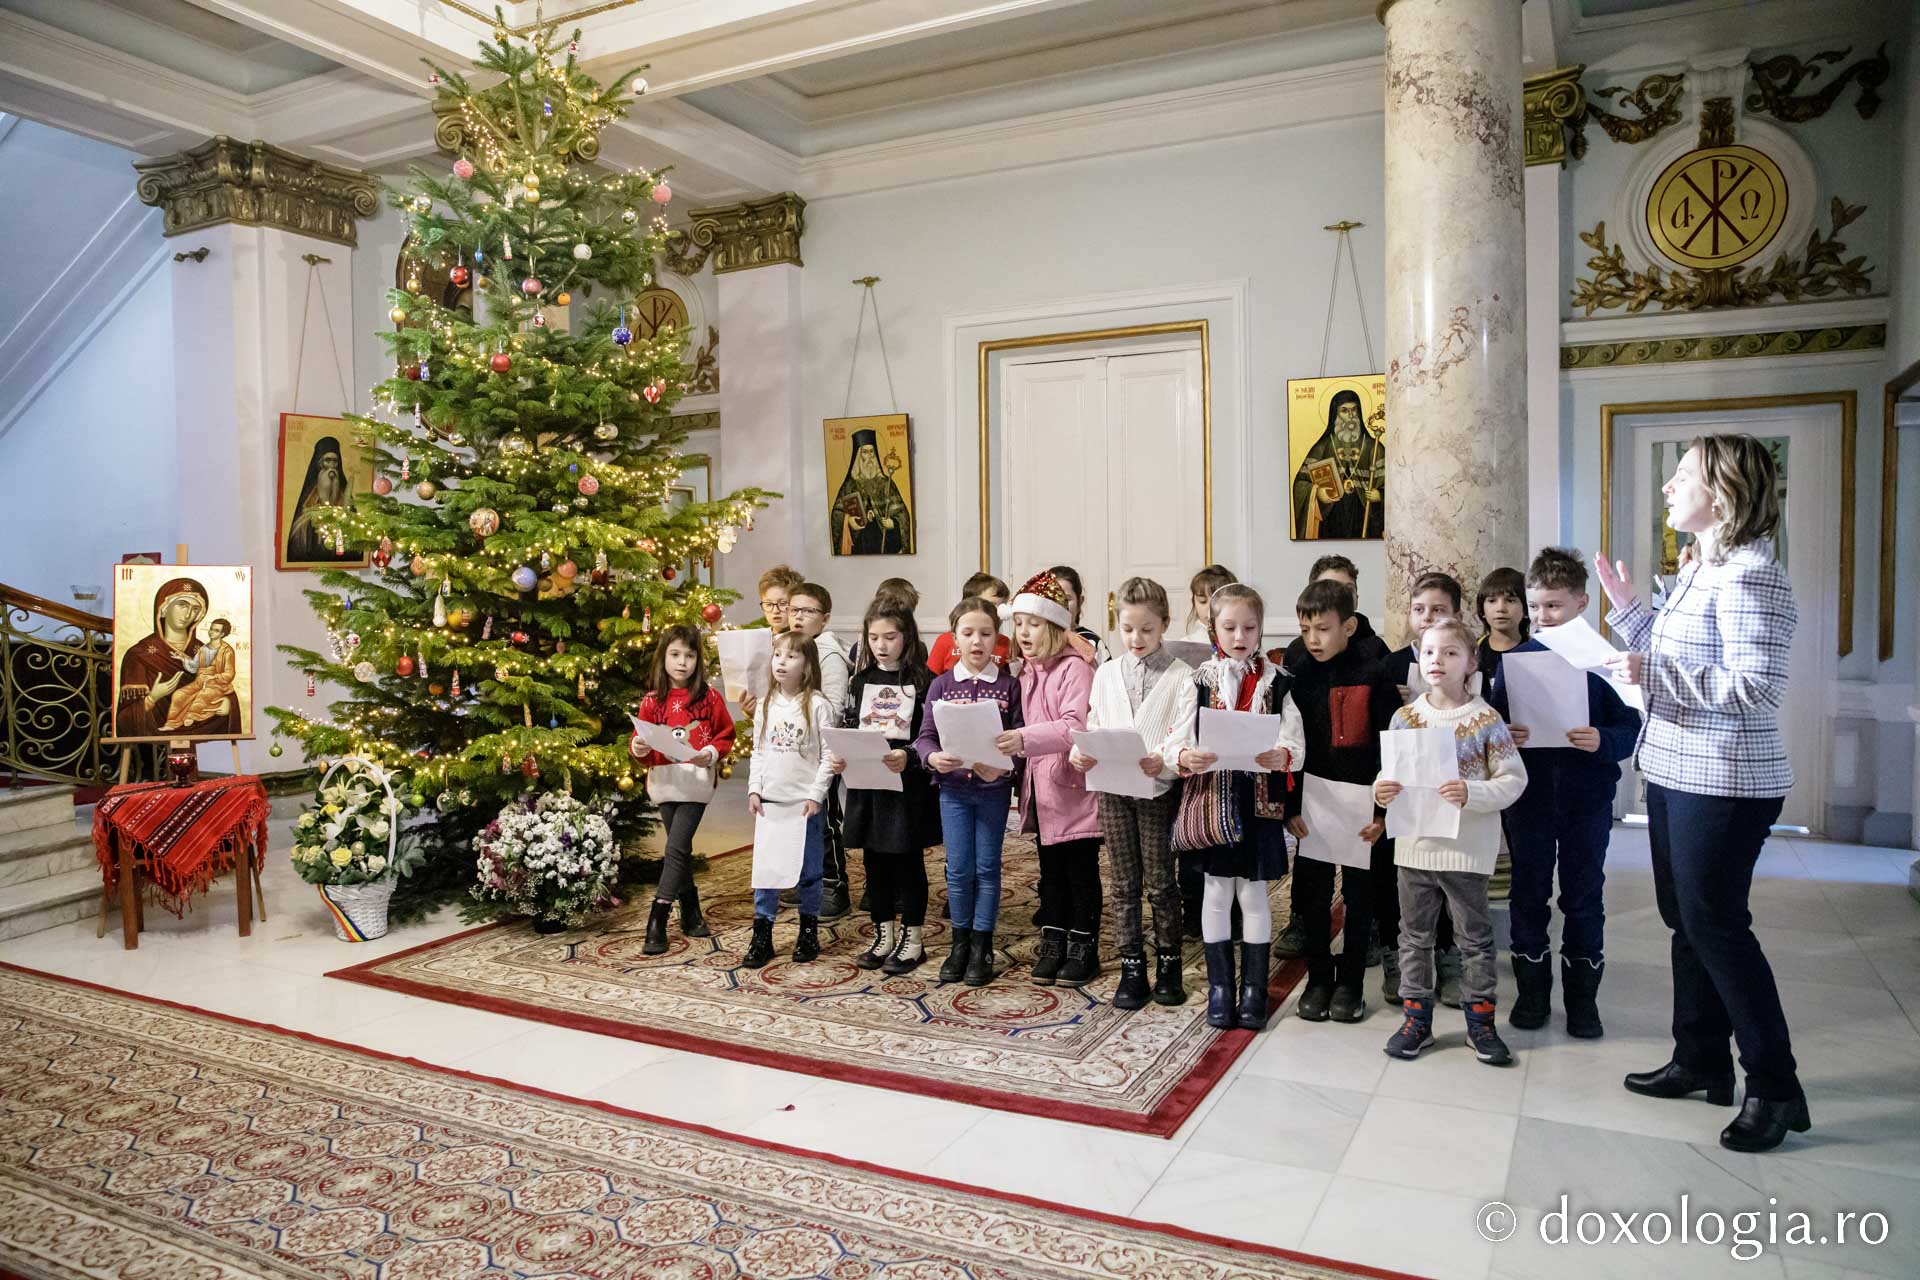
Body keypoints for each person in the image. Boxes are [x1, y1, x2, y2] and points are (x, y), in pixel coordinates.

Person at [1596, 434, 1809, 1153]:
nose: (1668, 487)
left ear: (1720, 492)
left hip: (1725, 779)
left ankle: (1775, 1087)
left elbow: (1757, 687)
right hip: (1675, 769)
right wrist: (1629, 614)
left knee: (1717, 928)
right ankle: (1700, 1058)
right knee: (1684, 921)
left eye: (1680, 475)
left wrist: (1647, 671)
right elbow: (1677, 652)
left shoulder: (1752, 576)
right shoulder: (1701, 567)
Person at [1487, 548, 1640, 1036]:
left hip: (1586, 801)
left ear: (1581, 603)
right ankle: (1532, 998)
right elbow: (1489, 727)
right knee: (1528, 894)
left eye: (1554, 605)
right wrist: (1506, 734)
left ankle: (1582, 1004)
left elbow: (1631, 726)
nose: (1543, 617)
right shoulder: (1515, 662)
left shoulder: (1604, 662)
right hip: (1529, 801)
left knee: (1583, 896)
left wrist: (1603, 741)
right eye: (1536, 607)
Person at [1376, 617, 1527, 1065]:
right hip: (1415, 845)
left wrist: (1472, 792)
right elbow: (1390, 774)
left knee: (1475, 939)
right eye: (1428, 652)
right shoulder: (1405, 717)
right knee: (1414, 937)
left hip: (1465, 849)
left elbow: (1514, 779)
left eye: (1450, 653)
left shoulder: (1485, 719)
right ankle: (1416, 1020)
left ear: (1471, 662)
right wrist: (1380, 790)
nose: (1437, 661)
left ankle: (1480, 1024)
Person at [1173, 584, 1304, 1031]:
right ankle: (1220, 987)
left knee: (1252, 893)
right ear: (1214, 628)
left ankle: (1253, 989)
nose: (1240, 635)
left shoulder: (1278, 681)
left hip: (1258, 804)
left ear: (1261, 629)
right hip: (1215, 801)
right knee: (1216, 891)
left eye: (1249, 627)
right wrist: (1186, 756)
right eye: (1229, 627)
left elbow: (1295, 739)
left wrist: (1281, 755)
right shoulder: (1199, 680)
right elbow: (1179, 739)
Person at [1070, 577, 1197, 1008]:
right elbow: (1094, 722)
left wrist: (1161, 759)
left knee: (1161, 882)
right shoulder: (1106, 673)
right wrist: (1079, 752)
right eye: (1127, 629)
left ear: (1163, 624)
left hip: (1156, 791)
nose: (1136, 638)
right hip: (1112, 790)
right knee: (1124, 882)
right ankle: (1131, 965)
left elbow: (1182, 733)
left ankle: (1169, 963)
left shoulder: (1181, 677)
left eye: (1146, 629)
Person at [1284, 579, 1400, 1023]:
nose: (1313, 640)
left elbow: (1391, 745)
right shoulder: (1297, 671)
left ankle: (1350, 981)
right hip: (1313, 803)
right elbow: (1289, 743)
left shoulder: (1375, 673)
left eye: (1323, 629)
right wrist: (1290, 806)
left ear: (1349, 626)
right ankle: (1318, 977)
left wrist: (1382, 812)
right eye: (1305, 629)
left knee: (1359, 897)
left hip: (1362, 807)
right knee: (1312, 895)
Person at [997, 572, 1101, 987]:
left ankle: (1083, 944)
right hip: (1041, 790)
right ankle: (1053, 939)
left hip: (1072, 788)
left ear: (1055, 626)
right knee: (1050, 870)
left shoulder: (1075, 669)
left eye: (1033, 623)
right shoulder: (1025, 672)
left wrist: (1023, 739)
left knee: (1080, 870)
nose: (1023, 632)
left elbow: (1075, 725)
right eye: (1018, 623)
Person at [916, 596, 1021, 986]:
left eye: (986, 633)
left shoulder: (1009, 686)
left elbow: (1019, 741)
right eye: (968, 633)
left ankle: (982, 944)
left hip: (992, 791)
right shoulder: (942, 685)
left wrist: (1005, 769)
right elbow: (924, 737)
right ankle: (959, 943)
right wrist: (934, 758)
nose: (977, 641)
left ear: (997, 639)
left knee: (986, 868)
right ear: (954, 639)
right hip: (953, 791)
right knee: (958, 870)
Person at [831, 600, 940, 974]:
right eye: (874, 637)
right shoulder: (859, 681)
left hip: (906, 784)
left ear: (906, 637)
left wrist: (909, 756)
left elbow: (929, 736)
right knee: (874, 862)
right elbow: (849, 726)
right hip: (868, 784)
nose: (881, 645)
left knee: (907, 862)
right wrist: (842, 756)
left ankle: (914, 938)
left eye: (890, 637)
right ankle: (884, 933)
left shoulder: (923, 680)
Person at [1377, 569, 1466, 1006]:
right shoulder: (1392, 664)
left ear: (1457, 614)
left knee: (1450, 875)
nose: (1427, 617)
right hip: (1408, 791)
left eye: (1439, 610)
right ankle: (1408, 963)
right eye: (1419, 610)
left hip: (1451, 786)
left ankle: (1451, 959)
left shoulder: (1463, 661)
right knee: (1410, 882)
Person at [629, 625, 735, 954]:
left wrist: (712, 753)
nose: (682, 662)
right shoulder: (651, 702)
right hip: (664, 782)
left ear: (698, 661)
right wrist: (639, 748)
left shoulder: (710, 698)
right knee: (681, 850)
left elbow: (725, 734)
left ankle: (657, 918)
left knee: (675, 849)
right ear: (663, 658)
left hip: (695, 782)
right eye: (675, 654)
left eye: (689, 656)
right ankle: (691, 911)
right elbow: (640, 744)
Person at [744, 633, 836, 969]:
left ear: (808, 665)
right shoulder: (767, 703)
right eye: (778, 655)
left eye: (792, 656)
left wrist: (816, 794)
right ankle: (762, 932)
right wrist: (755, 788)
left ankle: (808, 930)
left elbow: (828, 755)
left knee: (809, 871)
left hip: (803, 805)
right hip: (771, 802)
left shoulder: (817, 705)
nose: (781, 662)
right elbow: (758, 750)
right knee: (766, 873)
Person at [789, 582, 853, 919]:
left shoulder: (827, 654)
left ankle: (834, 883)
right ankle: (807, 877)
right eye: (793, 609)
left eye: (807, 611)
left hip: (819, 750)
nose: (798, 616)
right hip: (791, 751)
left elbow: (834, 706)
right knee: (797, 820)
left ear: (824, 618)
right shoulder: (788, 648)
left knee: (826, 820)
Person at [115, 577, 241, 739]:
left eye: (195, 609)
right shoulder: (139, 655)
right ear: (164, 608)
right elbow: (125, 719)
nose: (188, 614)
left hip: (202, 720)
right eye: (182, 605)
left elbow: (225, 684)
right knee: (180, 696)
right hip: (155, 749)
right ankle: (173, 723)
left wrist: (228, 704)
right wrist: (153, 698)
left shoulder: (207, 649)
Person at [1291, 389, 1385, 540]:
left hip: (1364, 520)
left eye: (1354, 410)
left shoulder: (1373, 448)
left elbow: (1396, 487)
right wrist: (1317, 492)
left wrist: (1380, 495)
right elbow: (1300, 484)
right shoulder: (1323, 447)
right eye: (1344, 411)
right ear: (1335, 414)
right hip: (1331, 519)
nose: (1351, 415)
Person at [1278, 555, 1390, 670]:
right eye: (1327, 589)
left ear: (1356, 598)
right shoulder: (1297, 651)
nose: (1341, 596)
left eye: (1348, 589)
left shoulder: (1375, 649)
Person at [832, 427, 914, 554]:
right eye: (865, 452)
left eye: (872, 452)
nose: (870, 457)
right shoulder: (849, 485)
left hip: (885, 546)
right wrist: (848, 521)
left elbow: (903, 514)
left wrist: (893, 523)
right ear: (858, 456)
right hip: (859, 548)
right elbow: (837, 513)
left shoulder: (886, 483)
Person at [740, 564, 805, 720]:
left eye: (782, 604)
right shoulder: (760, 641)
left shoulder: (803, 642)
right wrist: (750, 710)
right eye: (768, 604)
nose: (775, 611)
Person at [285, 435, 356, 563]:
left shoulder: (344, 497)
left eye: (335, 461)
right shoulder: (308, 499)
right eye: (327, 460)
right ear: (319, 463)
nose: (331, 466)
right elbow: (296, 547)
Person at [159, 619, 237, 733]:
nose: (211, 632)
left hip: (217, 685)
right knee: (178, 694)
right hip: (199, 682)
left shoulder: (227, 651)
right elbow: (194, 667)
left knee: (203, 695)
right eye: (211, 629)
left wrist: (214, 677)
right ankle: (172, 723)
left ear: (222, 634)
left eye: (216, 630)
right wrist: (183, 658)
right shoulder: (203, 649)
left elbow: (229, 673)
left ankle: (191, 716)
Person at [928, 573, 1010, 674]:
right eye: (990, 605)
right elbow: (932, 678)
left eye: (1003, 606)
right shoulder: (944, 641)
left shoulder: (1006, 644)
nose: (998, 612)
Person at [1045, 564, 1111, 665]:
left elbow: (1109, 679)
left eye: (1066, 599)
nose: (1060, 606)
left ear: (1080, 602)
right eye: (1053, 599)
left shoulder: (1092, 642)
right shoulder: (1037, 639)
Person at [1474, 566, 1530, 684]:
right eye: (1492, 601)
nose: (1500, 609)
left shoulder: (1536, 653)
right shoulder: (1472, 651)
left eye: (1510, 600)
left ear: (1526, 609)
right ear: (1482, 610)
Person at [1184, 565, 1236, 644]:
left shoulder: (1244, 643)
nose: (1210, 609)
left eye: (1218, 602)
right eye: (1202, 601)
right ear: (1193, 602)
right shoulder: (1186, 644)